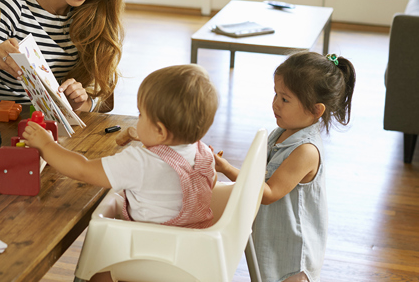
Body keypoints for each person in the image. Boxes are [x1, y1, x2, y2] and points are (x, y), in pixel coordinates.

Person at [22, 64, 219, 282]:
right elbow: (203, 182)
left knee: (97, 267)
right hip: (195, 257)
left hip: (153, 258)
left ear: (160, 131)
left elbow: (83, 169)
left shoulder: (141, 163)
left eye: (140, 114)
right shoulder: (203, 154)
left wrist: (47, 146)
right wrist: (144, 136)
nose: (137, 118)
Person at [213, 51, 356, 282]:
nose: (275, 104)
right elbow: (261, 183)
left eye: (285, 99)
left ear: (315, 110)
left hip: (294, 254)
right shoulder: (280, 134)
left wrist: (229, 171)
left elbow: (268, 193)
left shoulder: (305, 151)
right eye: (276, 94)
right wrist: (225, 166)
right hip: (273, 239)